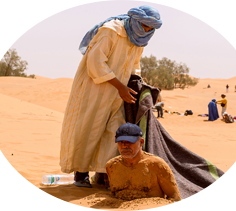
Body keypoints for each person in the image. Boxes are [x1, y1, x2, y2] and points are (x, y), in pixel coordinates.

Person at [60, 6, 162, 188]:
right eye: (145, 25)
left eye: (151, 28)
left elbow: (134, 66)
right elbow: (95, 62)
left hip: (119, 93)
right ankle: (81, 174)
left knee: (114, 132)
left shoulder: (139, 40)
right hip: (95, 89)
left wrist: (137, 86)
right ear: (136, 20)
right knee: (89, 129)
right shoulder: (111, 30)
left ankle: (105, 173)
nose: (147, 30)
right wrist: (120, 86)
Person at [106, 123, 181, 201]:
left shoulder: (157, 165)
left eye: (129, 141)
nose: (124, 146)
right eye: (121, 142)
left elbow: (175, 198)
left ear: (141, 142)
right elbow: (114, 195)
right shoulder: (112, 166)